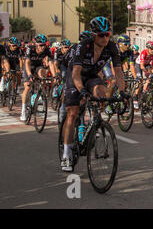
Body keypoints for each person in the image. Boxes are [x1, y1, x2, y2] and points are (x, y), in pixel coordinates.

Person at [61, 16, 126, 172]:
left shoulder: (112, 47)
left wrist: (123, 92)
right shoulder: (82, 46)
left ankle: (95, 121)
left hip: (91, 76)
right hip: (75, 76)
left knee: (102, 92)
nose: (104, 38)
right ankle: (67, 153)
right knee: (72, 113)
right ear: (93, 34)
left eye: (107, 34)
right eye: (101, 35)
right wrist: (81, 90)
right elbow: (76, 73)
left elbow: (118, 71)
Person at [21, 34, 53, 121]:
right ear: (36, 44)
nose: (43, 47)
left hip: (38, 66)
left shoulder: (46, 50)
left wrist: (54, 76)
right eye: (41, 45)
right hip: (29, 67)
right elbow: (27, 62)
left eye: (44, 45)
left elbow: (51, 63)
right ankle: (23, 110)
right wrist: (30, 75)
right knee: (28, 86)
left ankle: (39, 95)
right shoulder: (30, 49)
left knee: (43, 76)